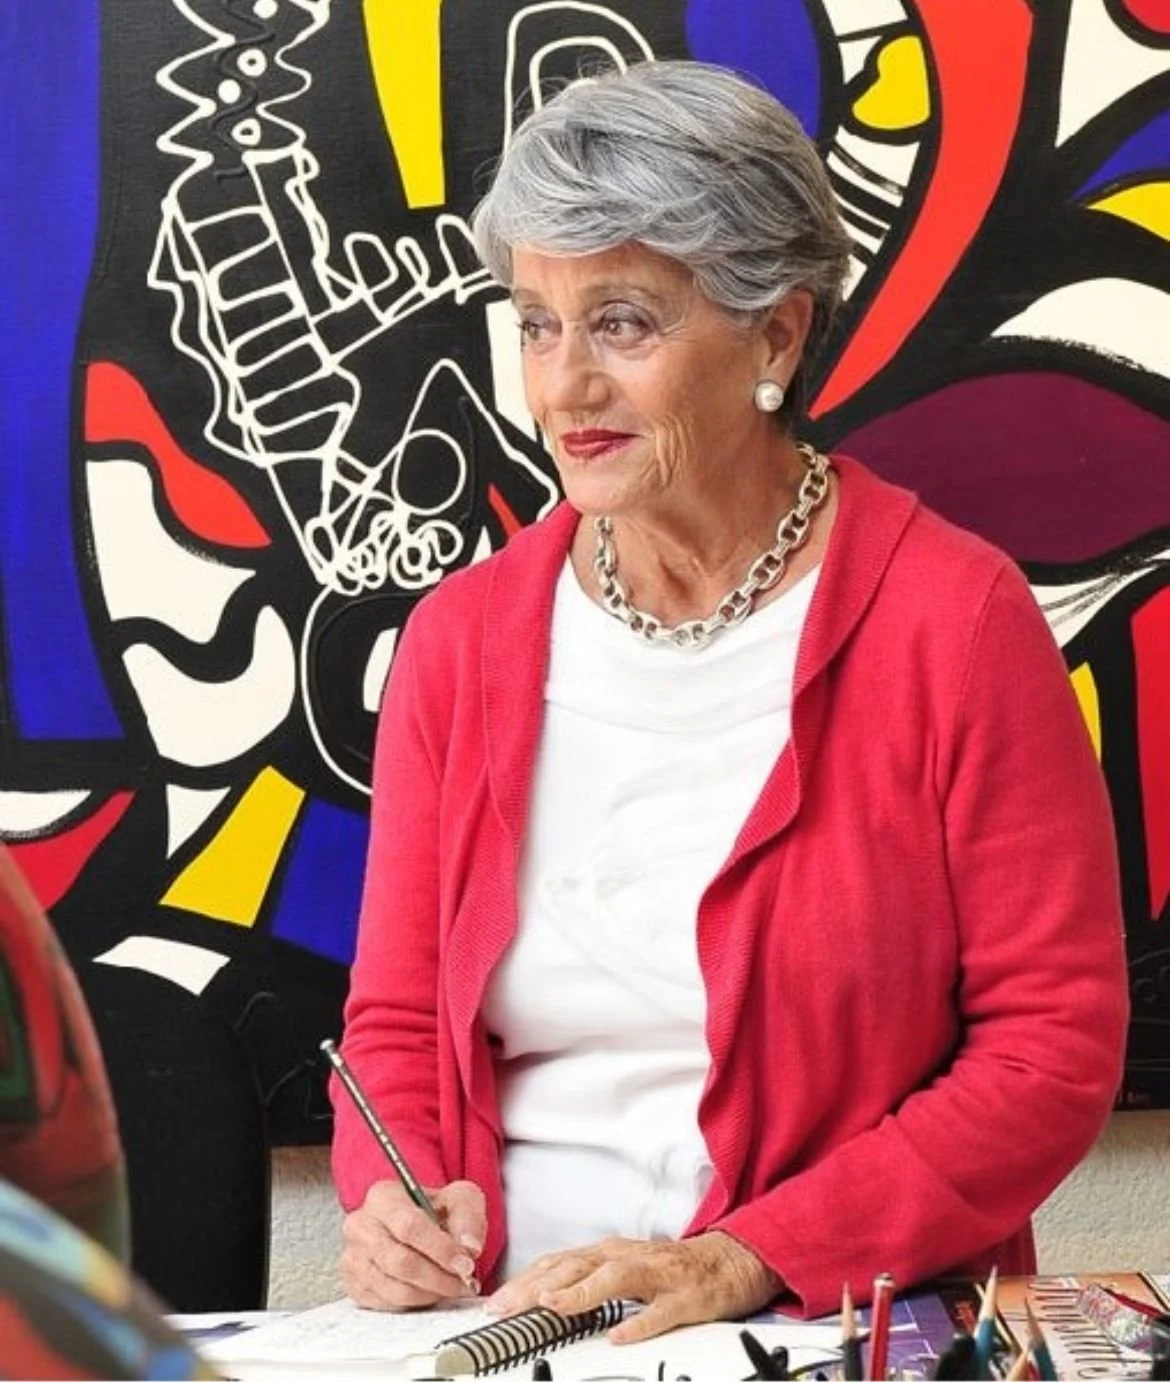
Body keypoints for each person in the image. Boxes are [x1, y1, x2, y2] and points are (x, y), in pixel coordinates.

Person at [331, 60, 1129, 1339]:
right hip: (509, 1329)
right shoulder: (461, 642)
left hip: (819, 1322)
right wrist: (397, 1202)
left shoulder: (956, 623)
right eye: (535, 321)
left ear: (777, 333)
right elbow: (396, 1023)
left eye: (625, 322)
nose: (563, 387)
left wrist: (747, 1254)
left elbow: (1049, 1051)